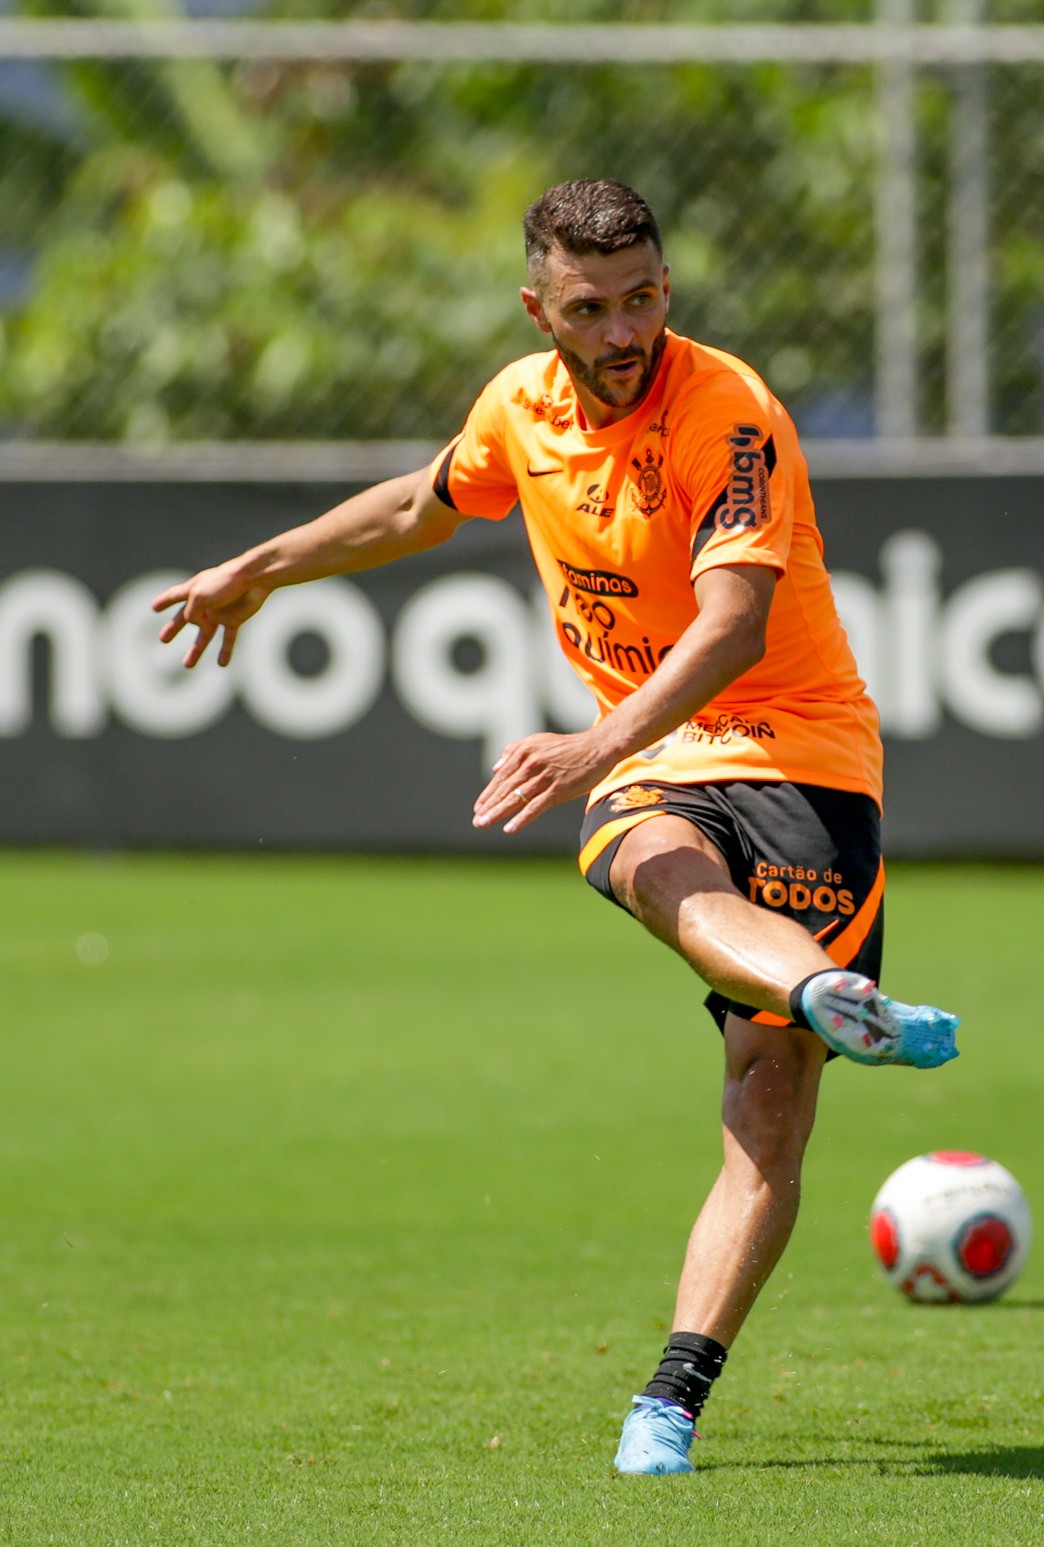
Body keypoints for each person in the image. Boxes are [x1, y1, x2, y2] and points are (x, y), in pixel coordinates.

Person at [151, 178, 959, 1478]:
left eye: (643, 296)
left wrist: (596, 741)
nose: (624, 326)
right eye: (592, 307)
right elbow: (423, 505)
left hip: (805, 758)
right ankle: (821, 993)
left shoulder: (728, 408)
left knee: (766, 1107)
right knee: (654, 866)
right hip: (662, 763)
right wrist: (265, 564)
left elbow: (736, 622)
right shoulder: (515, 409)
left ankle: (673, 1396)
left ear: (668, 290)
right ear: (541, 310)